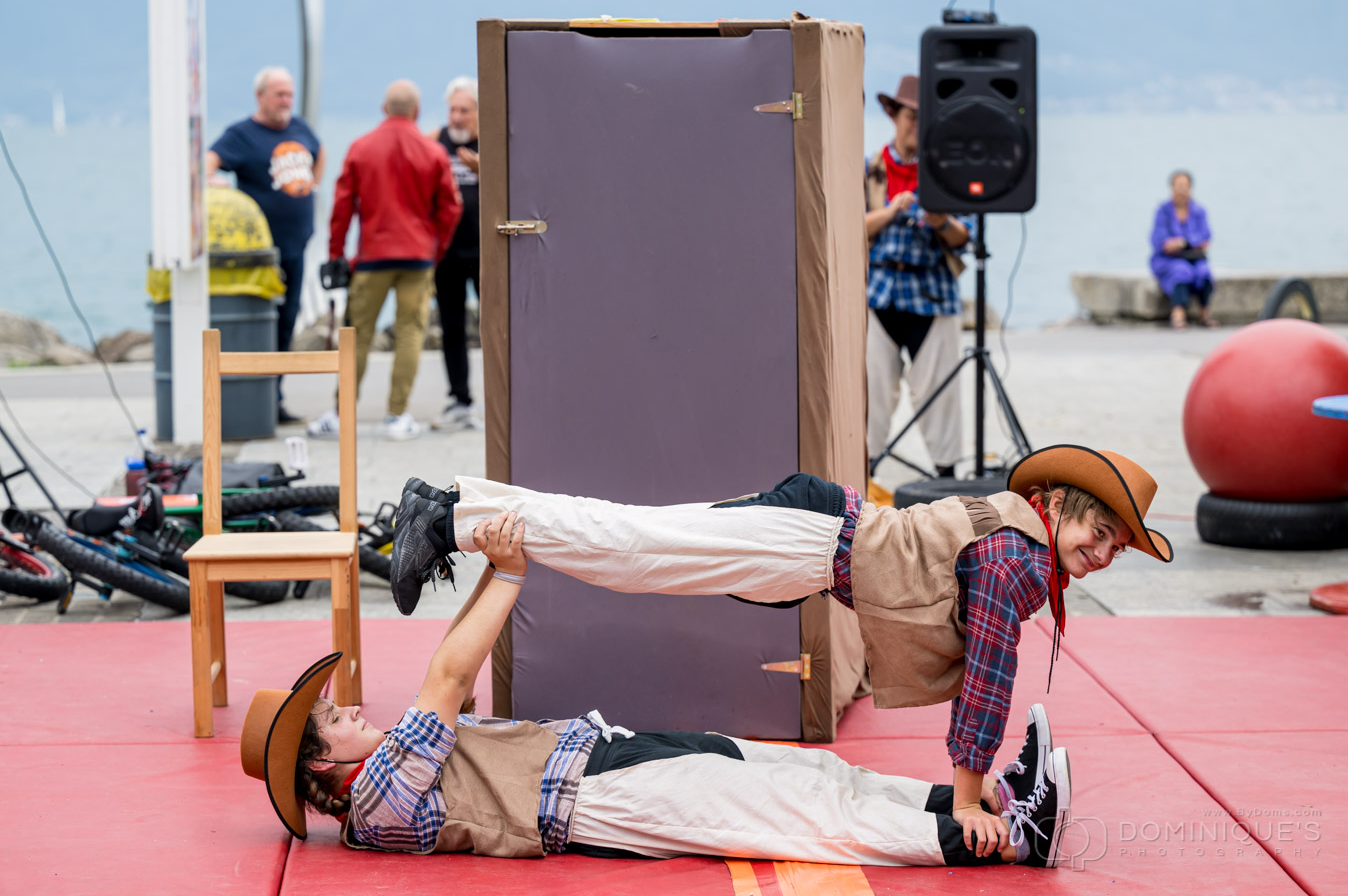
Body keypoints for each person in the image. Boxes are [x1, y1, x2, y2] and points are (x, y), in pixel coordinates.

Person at [388, 444, 1172, 847]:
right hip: (808, 540)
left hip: (808, 545)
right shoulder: (1017, 559)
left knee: (631, 541)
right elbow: (988, 683)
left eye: (1115, 550)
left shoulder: (1022, 539)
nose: (1101, 553)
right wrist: (967, 802)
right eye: (1098, 533)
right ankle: (450, 514)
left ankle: (452, 505)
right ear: (1058, 505)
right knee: (629, 548)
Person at [242, 510, 1074, 867]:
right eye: (330, 718)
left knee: (807, 775)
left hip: (601, 754)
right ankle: (997, 844)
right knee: (793, 817)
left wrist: (502, 572)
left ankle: (982, 804)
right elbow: (449, 680)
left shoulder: (382, 768)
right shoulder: (375, 801)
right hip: (587, 801)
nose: (349, 707)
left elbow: (444, 685)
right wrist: (505, 574)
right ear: (321, 768)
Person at [309, 80, 462, 441]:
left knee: (357, 336)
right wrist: (434, 250)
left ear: (383, 108)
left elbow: (342, 208)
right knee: (410, 332)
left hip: (372, 257)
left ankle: (340, 412)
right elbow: (450, 208)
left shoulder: (361, 149)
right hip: (418, 257)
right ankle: (397, 415)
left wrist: (336, 254)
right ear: (417, 111)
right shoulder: (433, 152)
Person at [865, 75, 973, 478]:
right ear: (895, 115)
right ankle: (864, 475)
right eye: (911, 115)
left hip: (932, 293)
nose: (915, 125)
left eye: (924, 118)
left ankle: (946, 479)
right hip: (879, 294)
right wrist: (893, 210)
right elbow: (845, 227)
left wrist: (940, 220)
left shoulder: (947, 171)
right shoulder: (871, 168)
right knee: (871, 394)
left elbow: (965, 237)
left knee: (940, 395)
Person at [208, 67, 325, 425]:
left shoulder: (301, 128)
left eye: (289, 94)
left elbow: (319, 153)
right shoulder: (242, 135)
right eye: (279, 94)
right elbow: (208, 162)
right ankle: (254, 400)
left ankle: (274, 397)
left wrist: (312, 186)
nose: (287, 101)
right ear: (260, 96)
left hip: (296, 246)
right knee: (260, 323)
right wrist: (213, 181)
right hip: (260, 254)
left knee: (287, 321)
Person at [429, 77, 484, 432]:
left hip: (485, 251)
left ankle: (502, 398)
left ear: (479, 112)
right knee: (451, 328)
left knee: (494, 329)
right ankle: (459, 399)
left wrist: (485, 169)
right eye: (453, 109)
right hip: (446, 253)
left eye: (465, 110)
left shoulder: (493, 142)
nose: (458, 117)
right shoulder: (436, 142)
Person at [1150, 170, 1214, 330]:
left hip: (1193, 257)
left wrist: (1183, 242)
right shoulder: (1163, 211)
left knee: (1204, 271)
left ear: (1191, 188)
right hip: (1168, 259)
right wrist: (1180, 244)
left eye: (1184, 186)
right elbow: (1159, 240)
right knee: (1181, 270)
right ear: (1171, 188)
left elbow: (1205, 237)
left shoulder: (1199, 211)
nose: (1181, 189)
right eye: (1178, 186)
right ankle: (1178, 314)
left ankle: (1204, 313)